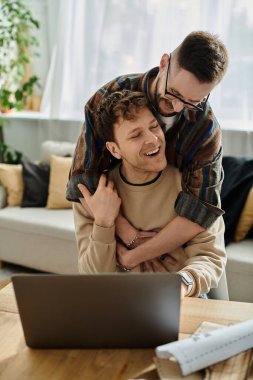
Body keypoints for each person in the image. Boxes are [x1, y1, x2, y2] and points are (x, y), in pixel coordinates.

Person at [67, 30, 229, 269]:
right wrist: (129, 235)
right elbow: (84, 181)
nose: (176, 107)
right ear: (164, 63)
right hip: (125, 215)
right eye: (173, 93)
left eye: (192, 102)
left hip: (180, 253)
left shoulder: (205, 129)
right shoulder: (109, 97)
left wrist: (136, 255)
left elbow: (201, 210)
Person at [73, 90, 226, 298]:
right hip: (118, 302)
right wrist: (104, 222)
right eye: (136, 135)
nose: (153, 140)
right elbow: (93, 278)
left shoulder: (191, 188)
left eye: (154, 127)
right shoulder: (96, 196)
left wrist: (181, 284)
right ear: (114, 149)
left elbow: (209, 257)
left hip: (181, 298)